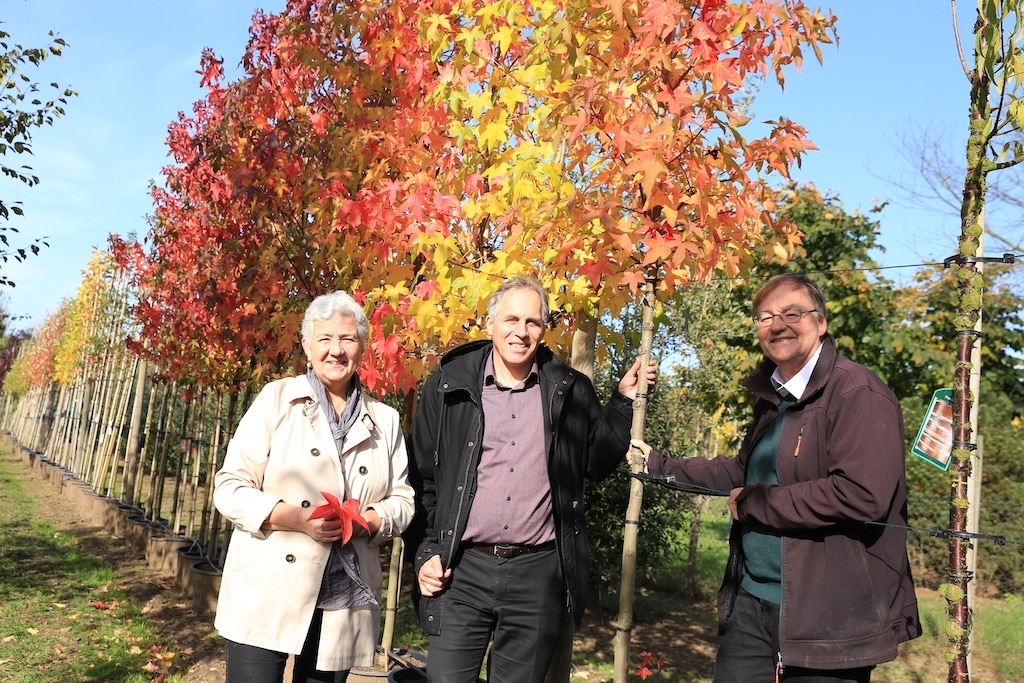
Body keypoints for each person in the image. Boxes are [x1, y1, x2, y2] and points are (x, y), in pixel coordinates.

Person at [632, 273, 921, 683]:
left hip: (829, 615)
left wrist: (757, 502)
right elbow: (743, 470)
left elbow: (860, 494)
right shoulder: (776, 397)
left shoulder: (858, 392)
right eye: (765, 317)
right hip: (754, 600)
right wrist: (658, 465)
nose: (778, 324)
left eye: (792, 313)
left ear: (820, 323)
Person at [406, 274, 655, 683]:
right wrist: (425, 551)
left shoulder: (569, 389)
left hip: (537, 575)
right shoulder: (450, 385)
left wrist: (622, 403)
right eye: (511, 320)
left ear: (544, 328)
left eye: (532, 322)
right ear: (490, 324)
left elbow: (596, 462)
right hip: (462, 570)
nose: (521, 332)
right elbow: (421, 478)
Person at [213, 291, 415, 683]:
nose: (335, 350)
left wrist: (370, 521)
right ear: (306, 345)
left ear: (362, 348)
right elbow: (229, 486)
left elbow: (403, 499)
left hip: (343, 595)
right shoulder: (277, 400)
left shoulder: (385, 420)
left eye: (347, 339)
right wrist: (295, 518)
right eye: (324, 339)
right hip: (268, 585)